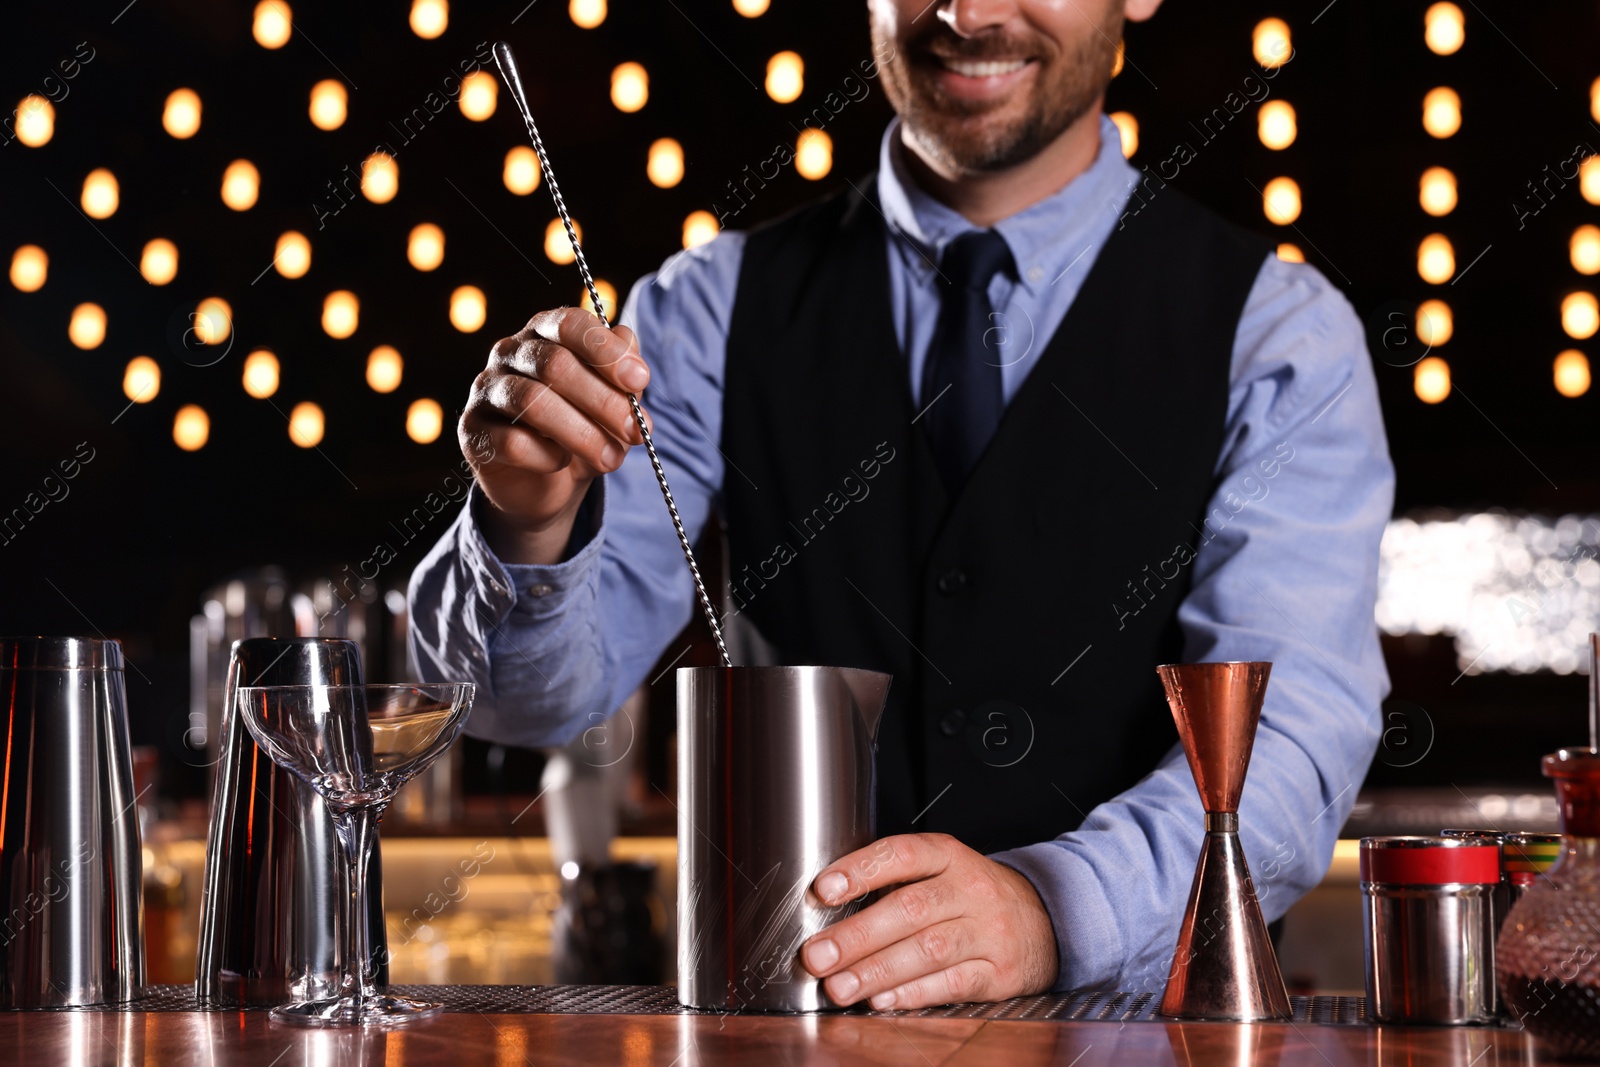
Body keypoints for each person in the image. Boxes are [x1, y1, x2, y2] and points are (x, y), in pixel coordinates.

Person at [409, 0, 1393, 1009]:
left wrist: (1053, 905)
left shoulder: (1278, 336)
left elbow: (1291, 742)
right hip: (795, 1022)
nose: (966, 14)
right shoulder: (709, 310)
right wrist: (525, 521)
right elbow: (523, 704)